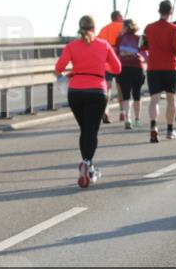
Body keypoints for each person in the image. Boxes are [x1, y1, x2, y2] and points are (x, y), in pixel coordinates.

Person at [54, 15, 122, 187]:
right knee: (91, 132)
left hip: (75, 92)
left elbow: (58, 68)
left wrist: (71, 74)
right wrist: (101, 66)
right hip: (97, 92)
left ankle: (89, 167)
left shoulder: (72, 46)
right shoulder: (103, 45)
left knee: (85, 130)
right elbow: (118, 68)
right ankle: (86, 164)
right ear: (94, 27)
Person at [142, 0, 176, 142]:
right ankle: (169, 130)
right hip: (170, 67)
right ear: (171, 12)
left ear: (158, 11)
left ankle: (153, 127)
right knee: (171, 99)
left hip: (153, 67)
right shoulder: (175, 29)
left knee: (154, 99)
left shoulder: (149, 28)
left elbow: (143, 46)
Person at [115, 18, 146, 129]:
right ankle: (137, 119)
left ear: (126, 27)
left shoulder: (119, 39)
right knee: (137, 95)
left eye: (122, 26)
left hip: (123, 68)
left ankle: (128, 119)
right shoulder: (140, 38)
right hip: (137, 68)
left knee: (126, 95)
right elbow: (145, 54)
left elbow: (116, 53)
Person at [98, 11, 124, 123]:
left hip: (106, 62)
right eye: (121, 16)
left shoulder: (104, 29)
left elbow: (97, 43)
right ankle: (122, 112)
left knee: (107, 88)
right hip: (119, 60)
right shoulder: (123, 28)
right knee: (120, 88)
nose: (123, 17)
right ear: (118, 17)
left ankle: (105, 111)